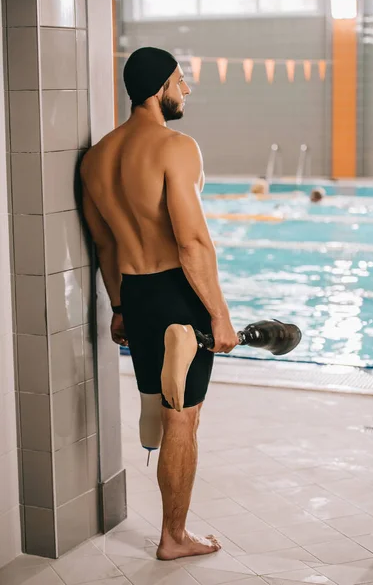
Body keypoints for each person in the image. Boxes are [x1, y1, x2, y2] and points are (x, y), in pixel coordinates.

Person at [80, 47, 238, 561]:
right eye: (179, 79)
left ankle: (173, 530)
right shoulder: (177, 147)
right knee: (182, 420)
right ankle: (175, 536)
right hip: (178, 297)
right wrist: (219, 315)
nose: (186, 89)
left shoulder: (96, 158)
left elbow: (104, 245)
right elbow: (191, 243)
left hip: (137, 294)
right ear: (159, 88)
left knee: (160, 408)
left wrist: (120, 308)